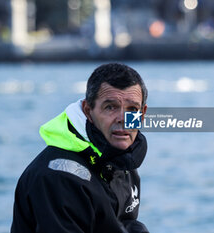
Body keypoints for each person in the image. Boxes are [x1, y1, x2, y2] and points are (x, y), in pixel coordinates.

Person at [11, 63, 149, 233]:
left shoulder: (122, 161)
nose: (122, 118)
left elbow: (122, 223)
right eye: (110, 107)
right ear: (87, 110)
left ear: (142, 114)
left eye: (132, 109)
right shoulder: (58, 177)